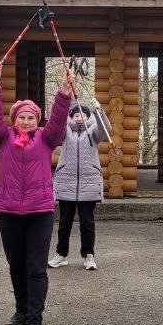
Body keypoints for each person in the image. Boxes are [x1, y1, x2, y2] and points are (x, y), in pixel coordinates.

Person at [0, 63, 73, 325]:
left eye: (30, 117)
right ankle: (21, 311)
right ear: (14, 120)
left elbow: (59, 121)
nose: (25, 121)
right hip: (9, 211)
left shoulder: (47, 139)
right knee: (16, 265)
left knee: (36, 268)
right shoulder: (3, 138)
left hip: (40, 212)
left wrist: (64, 92)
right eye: (21, 117)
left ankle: (36, 320)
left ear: (37, 120)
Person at [48, 97, 112, 270]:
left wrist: (99, 111)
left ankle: (89, 256)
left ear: (88, 116)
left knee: (87, 223)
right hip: (66, 182)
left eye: (82, 114)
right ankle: (61, 255)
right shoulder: (65, 130)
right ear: (71, 117)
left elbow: (106, 130)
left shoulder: (93, 132)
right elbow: (54, 128)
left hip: (88, 183)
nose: (79, 117)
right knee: (64, 222)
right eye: (75, 115)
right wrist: (60, 109)